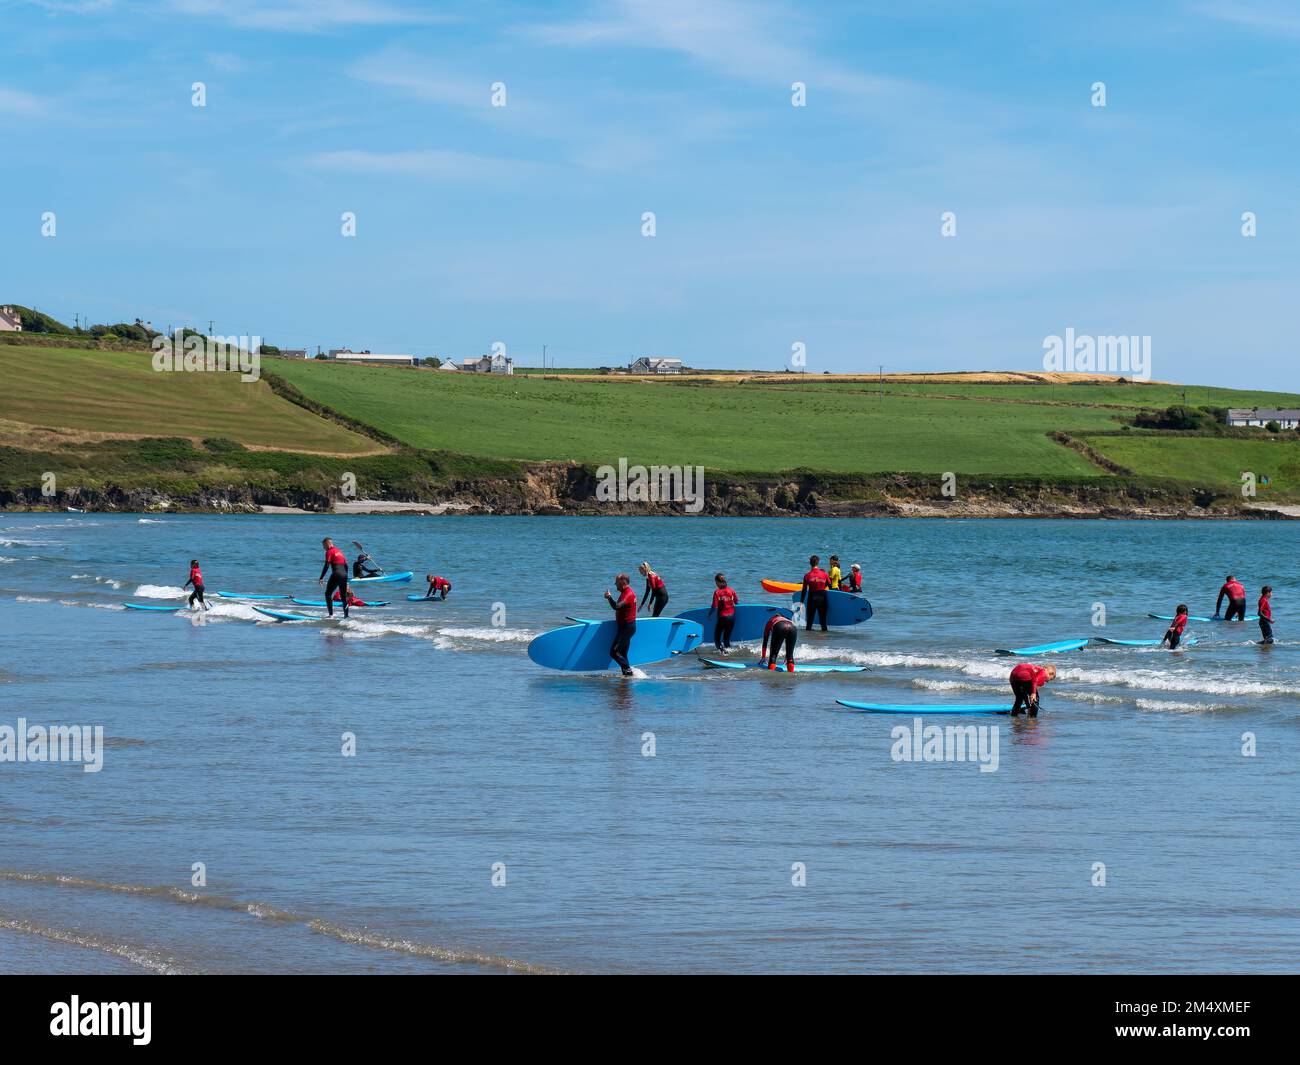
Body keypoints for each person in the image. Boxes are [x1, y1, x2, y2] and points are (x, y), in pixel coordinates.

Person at [604, 573, 637, 677]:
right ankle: (627, 676)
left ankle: (629, 671)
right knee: (622, 654)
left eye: (616, 582)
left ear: (623, 582)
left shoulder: (628, 593)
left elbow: (617, 606)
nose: (615, 584)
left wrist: (609, 597)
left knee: (614, 652)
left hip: (627, 628)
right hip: (626, 627)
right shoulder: (624, 592)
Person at [317, 538, 350, 619]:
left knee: (327, 594)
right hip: (344, 575)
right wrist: (346, 577)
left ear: (327, 544)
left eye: (324, 546)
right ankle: (346, 616)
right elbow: (346, 565)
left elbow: (327, 565)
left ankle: (331, 615)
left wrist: (321, 577)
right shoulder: (339, 551)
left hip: (336, 574)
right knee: (343, 597)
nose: (323, 548)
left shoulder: (329, 552)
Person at [709, 573, 739, 652]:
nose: (716, 584)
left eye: (716, 582)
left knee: (717, 638)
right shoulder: (731, 590)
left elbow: (714, 606)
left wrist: (709, 614)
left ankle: (722, 655)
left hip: (722, 618)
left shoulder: (717, 592)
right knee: (726, 639)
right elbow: (736, 602)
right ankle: (729, 654)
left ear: (718, 582)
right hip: (732, 617)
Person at [800, 555, 831, 632]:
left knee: (809, 622)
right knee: (823, 622)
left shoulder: (807, 575)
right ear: (818, 562)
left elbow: (804, 590)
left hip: (812, 598)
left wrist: (801, 602)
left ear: (810, 563)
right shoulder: (825, 574)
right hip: (823, 598)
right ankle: (824, 641)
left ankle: (808, 642)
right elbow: (830, 586)